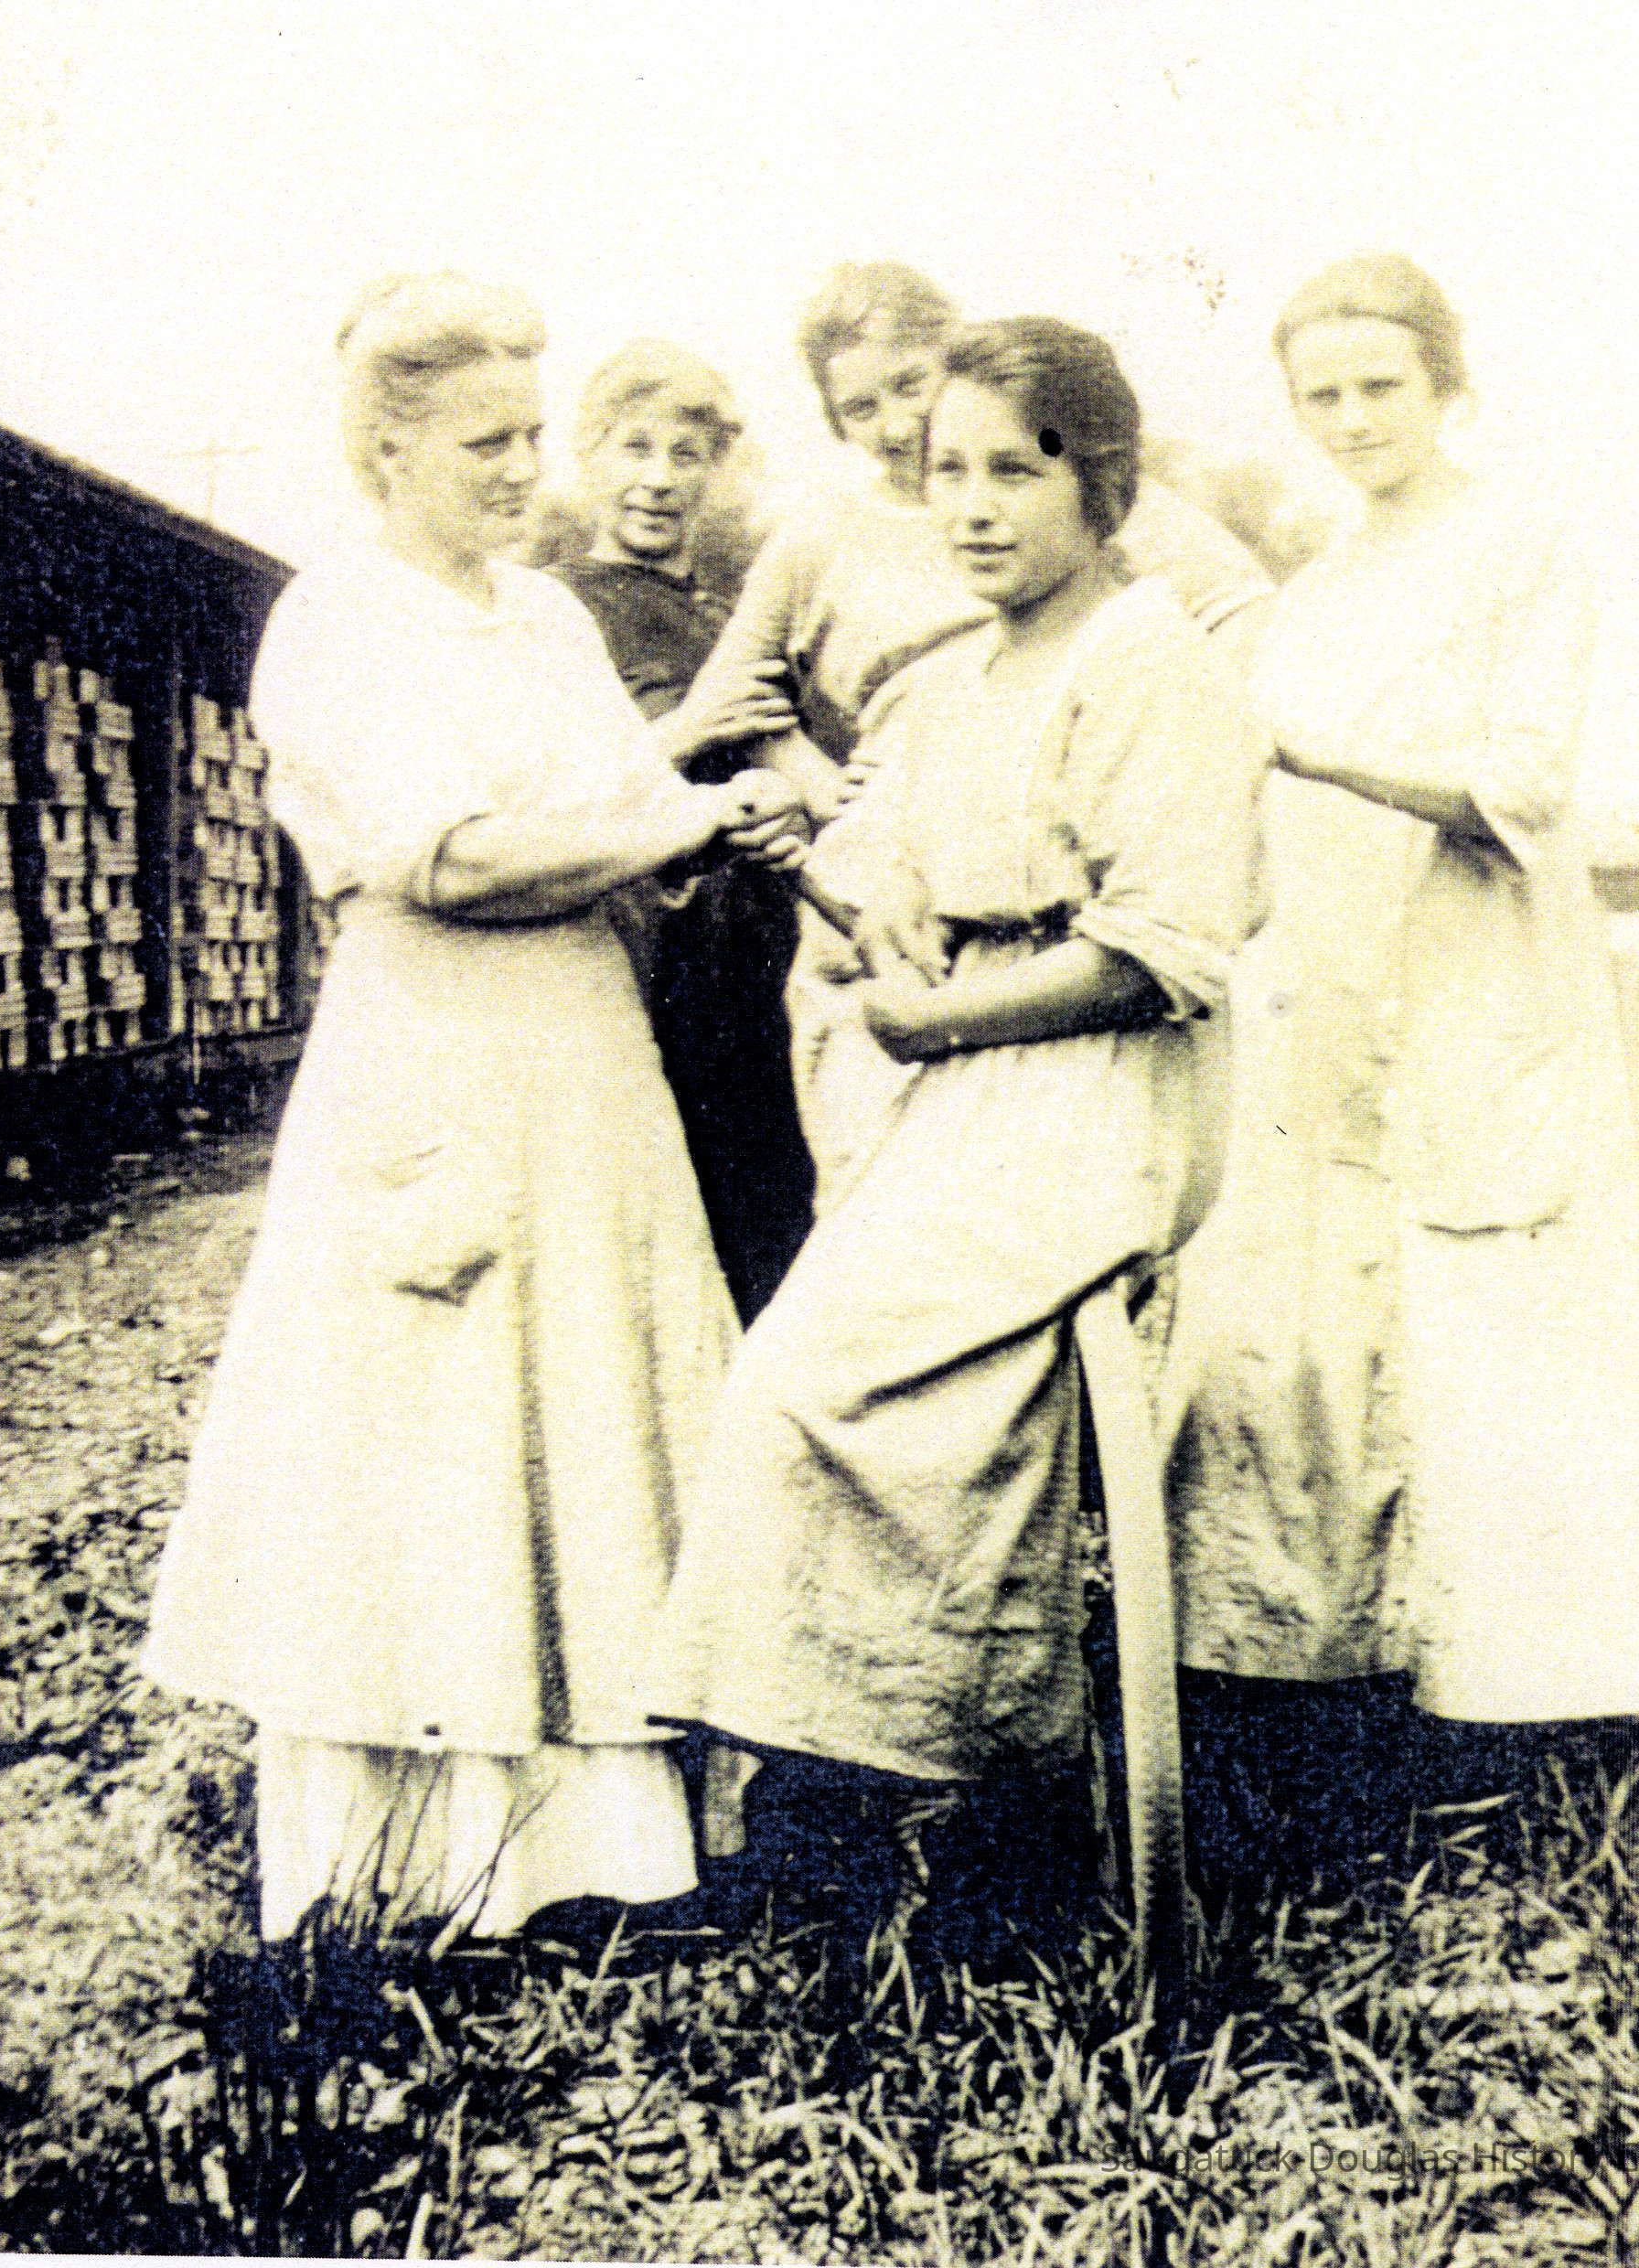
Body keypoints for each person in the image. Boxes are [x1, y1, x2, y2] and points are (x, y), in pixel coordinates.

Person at [140, 274, 808, 1942]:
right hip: (435, 1055)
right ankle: (420, 1870)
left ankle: (607, 1854)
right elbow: (453, 861)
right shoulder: (341, 620)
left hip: (585, 1058)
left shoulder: (547, 618)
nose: (523, 469)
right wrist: (684, 819)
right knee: (428, 1443)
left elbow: (634, 802)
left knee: (589, 1417)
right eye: (485, 440)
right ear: (386, 446)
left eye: (530, 434)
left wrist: (745, 817)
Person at [650, 320, 1266, 1870]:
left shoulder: (1149, 656)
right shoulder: (957, 673)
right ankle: (882, 1746)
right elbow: (873, 861)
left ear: (1103, 486)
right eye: (946, 476)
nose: (975, 507)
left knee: (825, 1377)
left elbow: (1159, 946)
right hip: (971, 1079)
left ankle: (927, 1756)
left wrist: (941, 1019)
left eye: (1017, 471)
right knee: (796, 1363)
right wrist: (884, 919)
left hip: (1104, 1085)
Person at [1167, 254, 1639, 1841]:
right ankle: (1362, 1672)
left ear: (1443, 383)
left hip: (1477, 971)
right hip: (1327, 985)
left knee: (1497, 1312)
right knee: (1327, 1317)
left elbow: (1518, 780)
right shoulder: (1313, 586)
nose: (1348, 420)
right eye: (1318, 395)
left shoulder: (1520, 547)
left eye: (1377, 387)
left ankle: (1556, 1702)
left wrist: (1315, 752)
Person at [672, 261, 1277, 1214]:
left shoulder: (1057, 492)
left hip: (1044, 850)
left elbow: (1241, 605)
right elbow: (732, 697)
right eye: (859, 405)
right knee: (877, 1166)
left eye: (911, 385)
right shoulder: (820, 532)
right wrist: (820, 781)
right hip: (877, 862)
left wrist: (1164, 747)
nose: (896, 423)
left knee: (1038, 1170)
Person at [552, 341, 815, 1315]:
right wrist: (688, 731)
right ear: (587, 455)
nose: (658, 480)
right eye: (634, 449)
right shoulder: (555, 610)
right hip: (642, 956)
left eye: (686, 455)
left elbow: (793, 761)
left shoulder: (730, 614)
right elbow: (549, 798)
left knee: (773, 1226)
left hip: (757, 955)